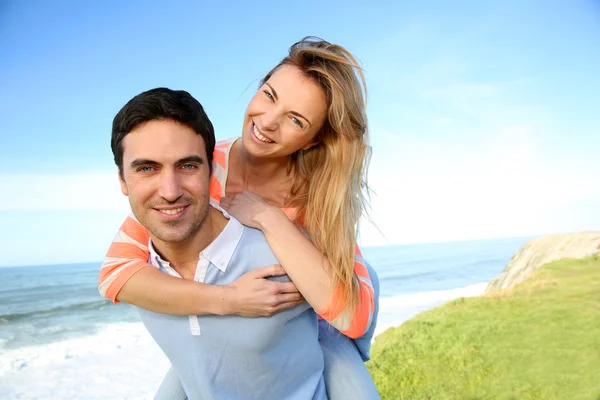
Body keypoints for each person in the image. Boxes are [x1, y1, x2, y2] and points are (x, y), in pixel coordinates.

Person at [99, 37, 380, 399]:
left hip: (311, 330)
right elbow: (115, 274)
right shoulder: (196, 166)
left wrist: (268, 217)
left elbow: (353, 315)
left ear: (313, 139)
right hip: (231, 326)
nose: (267, 122)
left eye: (295, 119)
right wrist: (229, 299)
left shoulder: (318, 200)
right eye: (269, 95)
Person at [112, 87, 327, 399]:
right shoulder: (140, 271)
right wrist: (230, 300)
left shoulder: (281, 259)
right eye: (147, 168)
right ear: (122, 181)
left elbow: (349, 310)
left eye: (188, 166)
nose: (170, 190)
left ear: (211, 169)